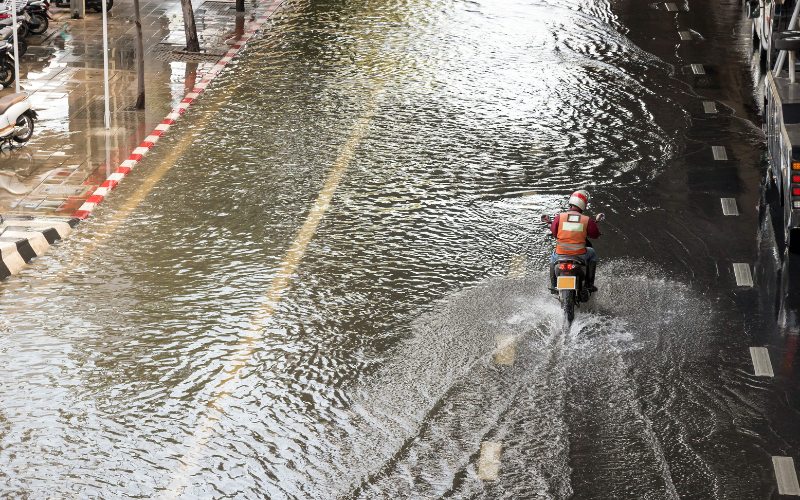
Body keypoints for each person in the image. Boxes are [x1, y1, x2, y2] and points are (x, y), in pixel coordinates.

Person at [549, 189, 600, 295]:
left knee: (553, 257)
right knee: (592, 253)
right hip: (579, 255)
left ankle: (554, 285)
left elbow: (554, 233)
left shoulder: (560, 217)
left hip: (560, 254)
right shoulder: (586, 220)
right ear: (584, 204)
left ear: (571, 202)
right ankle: (589, 284)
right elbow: (594, 235)